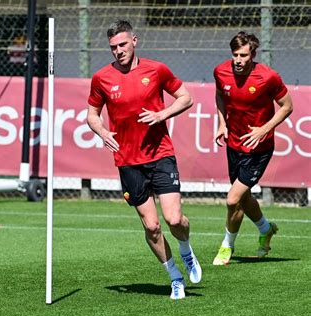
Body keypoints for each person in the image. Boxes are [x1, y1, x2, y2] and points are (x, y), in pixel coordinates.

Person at [87, 20, 202, 300]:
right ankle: (175, 277)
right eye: (113, 47)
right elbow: (92, 114)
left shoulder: (157, 69)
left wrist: (161, 115)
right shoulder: (101, 78)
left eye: (123, 44)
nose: (118, 51)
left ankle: (186, 250)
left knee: (174, 219)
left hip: (160, 154)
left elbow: (186, 98)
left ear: (135, 41)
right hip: (127, 160)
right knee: (151, 227)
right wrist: (102, 130)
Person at [212, 31, 293, 265]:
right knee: (243, 198)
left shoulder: (268, 77)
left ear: (253, 54)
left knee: (232, 199)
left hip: (259, 148)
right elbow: (219, 95)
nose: (238, 60)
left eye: (243, 55)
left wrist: (263, 130)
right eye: (235, 55)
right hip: (233, 144)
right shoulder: (221, 71)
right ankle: (266, 229)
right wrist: (221, 123)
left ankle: (227, 246)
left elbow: (287, 106)